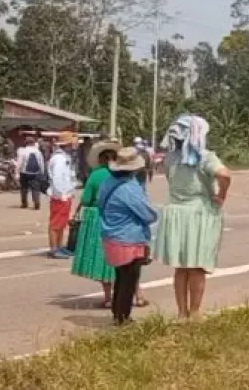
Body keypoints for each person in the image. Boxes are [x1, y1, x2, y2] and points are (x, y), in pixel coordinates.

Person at [155, 114, 232, 321]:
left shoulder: (170, 158)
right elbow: (224, 175)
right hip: (198, 214)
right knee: (197, 266)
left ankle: (182, 312)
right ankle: (195, 312)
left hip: (176, 212)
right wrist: (221, 195)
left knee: (181, 267)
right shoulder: (205, 157)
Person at [71, 140, 150, 309]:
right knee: (129, 267)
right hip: (129, 227)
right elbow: (144, 207)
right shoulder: (130, 180)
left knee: (104, 263)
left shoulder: (96, 175)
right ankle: (138, 295)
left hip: (100, 219)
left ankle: (108, 298)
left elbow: (86, 199)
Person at [98, 147, 158, 326]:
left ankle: (117, 313)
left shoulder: (108, 182)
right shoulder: (129, 188)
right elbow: (148, 214)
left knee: (120, 278)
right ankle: (123, 318)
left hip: (112, 235)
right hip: (129, 238)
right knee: (129, 281)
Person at [46, 131, 77, 259]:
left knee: (62, 223)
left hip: (65, 195)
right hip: (60, 196)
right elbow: (57, 179)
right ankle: (54, 248)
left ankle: (59, 246)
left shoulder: (65, 157)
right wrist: (62, 194)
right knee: (56, 223)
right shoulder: (59, 159)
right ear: (67, 144)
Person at [16, 137, 45, 210]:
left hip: (24, 173)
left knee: (24, 188)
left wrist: (17, 172)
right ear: (33, 143)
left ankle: (24, 203)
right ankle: (36, 202)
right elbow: (41, 162)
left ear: (26, 143)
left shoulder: (23, 151)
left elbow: (19, 163)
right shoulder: (38, 152)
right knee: (35, 188)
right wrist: (42, 172)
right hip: (35, 173)